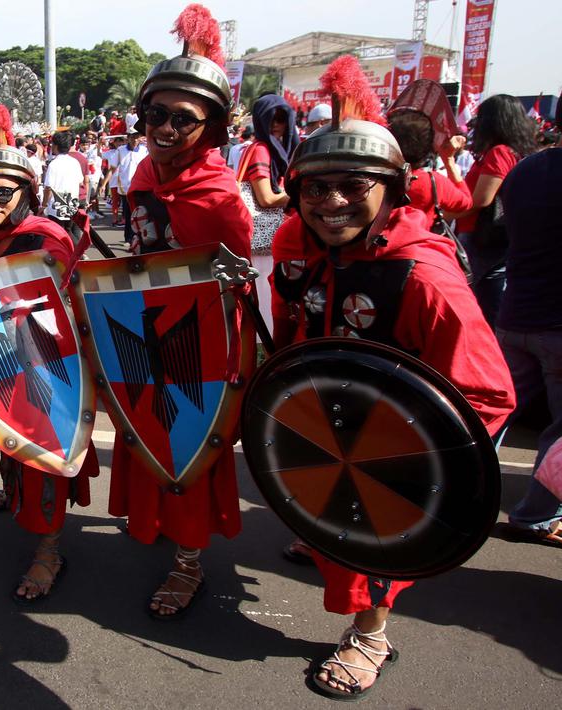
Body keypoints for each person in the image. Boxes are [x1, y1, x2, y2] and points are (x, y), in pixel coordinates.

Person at [269, 55, 514, 700]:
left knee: (367, 543)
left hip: (379, 453)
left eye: (354, 184)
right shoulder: (301, 247)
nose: (332, 202)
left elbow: (487, 394)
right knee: (326, 522)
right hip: (317, 429)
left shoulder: (425, 278)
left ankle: (370, 633)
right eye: (315, 188)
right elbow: (293, 334)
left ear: (393, 191)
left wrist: (409, 454)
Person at [117, 3, 252, 618]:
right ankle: (153, 522)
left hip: (202, 344)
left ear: (213, 129)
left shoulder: (221, 196)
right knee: (146, 433)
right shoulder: (141, 171)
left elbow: (236, 287)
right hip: (144, 330)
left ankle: (189, 562)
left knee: (191, 449)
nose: (164, 127)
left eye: (182, 118)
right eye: (154, 113)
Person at [0, 104, 98, 602]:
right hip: (3, 359)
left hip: (46, 364)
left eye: (3, 191)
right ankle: (12, 490)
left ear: (27, 193)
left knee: (44, 453)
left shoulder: (45, 238)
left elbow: (51, 308)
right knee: (9, 440)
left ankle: (49, 551)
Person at [497, 104, 562, 547]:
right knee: (560, 432)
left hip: (515, 310)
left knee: (489, 415)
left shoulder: (525, 169)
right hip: (555, 323)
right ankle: (535, 516)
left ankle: (442, 494)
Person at [450, 94, 538, 326]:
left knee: (473, 302)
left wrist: (447, 214)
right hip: (493, 238)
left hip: (480, 237)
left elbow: (481, 199)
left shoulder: (499, 152)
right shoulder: (513, 151)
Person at [239, 94, 300, 327]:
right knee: (266, 302)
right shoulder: (262, 149)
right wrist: (296, 196)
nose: (276, 125)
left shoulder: (259, 147)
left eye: (281, 119)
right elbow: (266, 198)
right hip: (265, 241)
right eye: (270, 119)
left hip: (263, 240)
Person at [387, 110, 472, 218]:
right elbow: (466, 202)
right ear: (428, 144)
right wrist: (448, 159)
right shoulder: (434, 183)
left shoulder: (371, 175)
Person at [41, 130, 85, 238]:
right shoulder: (74, 162)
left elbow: (48, 188)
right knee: (67, 230)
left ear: (55, 146)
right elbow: (81, 181)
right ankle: (76, 252)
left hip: (57, 201)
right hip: (71, 200)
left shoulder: (54, 164)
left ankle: (74, 252)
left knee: (58, 233)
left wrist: (44, 205)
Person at [116, 132, 147, 248]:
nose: (135, 139)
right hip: (125, 188)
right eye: (132, 137)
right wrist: (105, 184)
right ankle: (128, 238)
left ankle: (138, 237)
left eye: (137, 137)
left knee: (140, 214)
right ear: (128, 138)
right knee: (128, 214)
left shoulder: (144, 150)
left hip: (140, 187)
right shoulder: (121, 150)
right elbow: (113, 167)